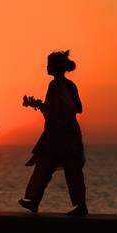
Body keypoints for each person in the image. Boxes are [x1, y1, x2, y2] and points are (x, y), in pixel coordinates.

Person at [19, 50, 87, 216]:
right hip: (65, 132)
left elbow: (72, 108)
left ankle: (79, 206)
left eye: (49, 65)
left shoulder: (56, 85)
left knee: (50, 167)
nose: (46, 67)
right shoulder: (70, 85)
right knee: (52, 167)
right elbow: (78, 108)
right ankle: (35, 201)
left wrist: (44, 106)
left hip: (61, 134)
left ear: (56, 67)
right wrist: (42, 105)